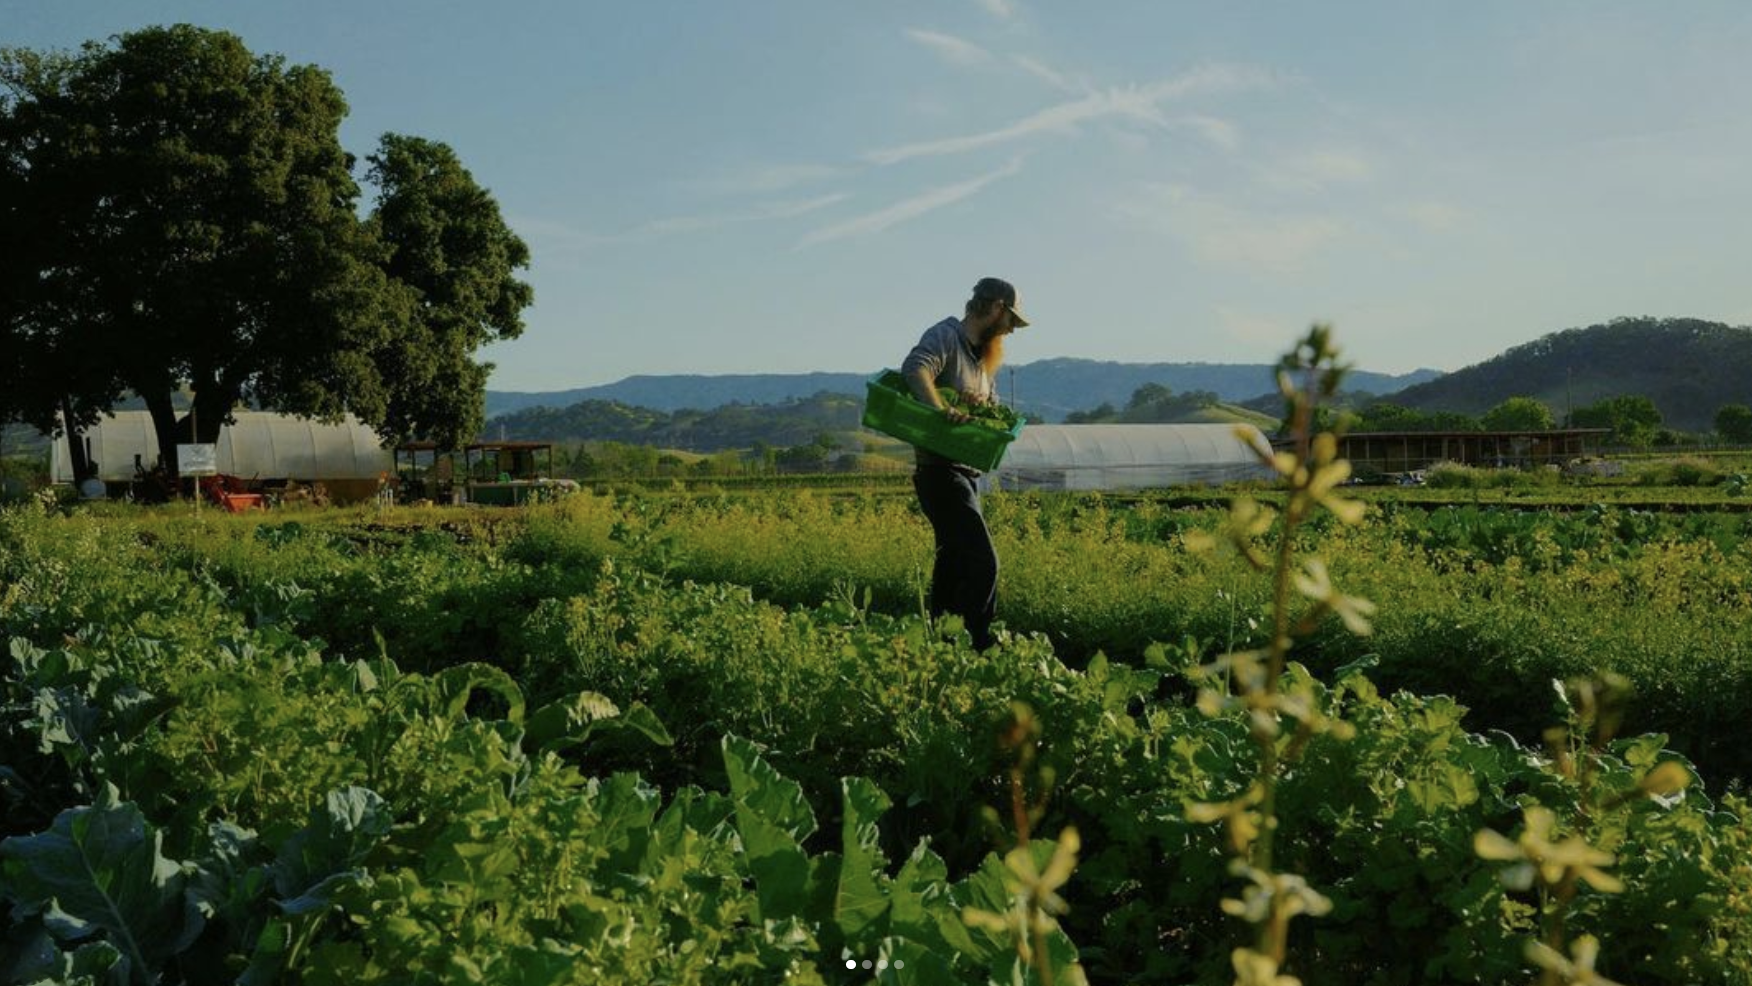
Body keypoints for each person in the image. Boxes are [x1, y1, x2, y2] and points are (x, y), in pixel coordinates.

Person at [900, 277, 1030, 651]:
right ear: (995, 308)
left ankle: (940, 645)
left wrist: (976, 404)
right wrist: (941, 410)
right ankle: (977, 646)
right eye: (1011, 321)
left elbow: (988, 409)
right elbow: (916, 368)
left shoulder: (983, 359)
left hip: (966, 473)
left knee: (953, 564)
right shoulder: (946, 337)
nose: (1011, 331)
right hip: (940, 472)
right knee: (983, 563)